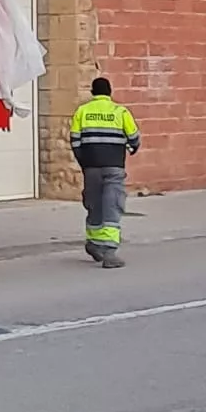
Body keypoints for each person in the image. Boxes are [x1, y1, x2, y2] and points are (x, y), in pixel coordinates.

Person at [70, 77, 141, 268]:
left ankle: (93, 243)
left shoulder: (82, 112)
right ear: (110, 92)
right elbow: (134, 138)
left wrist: (84, 163)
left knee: (94, 204)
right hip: (114, 167)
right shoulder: (120, 111)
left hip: (91, 167)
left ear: (92, 92)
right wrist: (132, 148)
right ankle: (109, 252)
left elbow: (75, 141)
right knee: (112, 205)